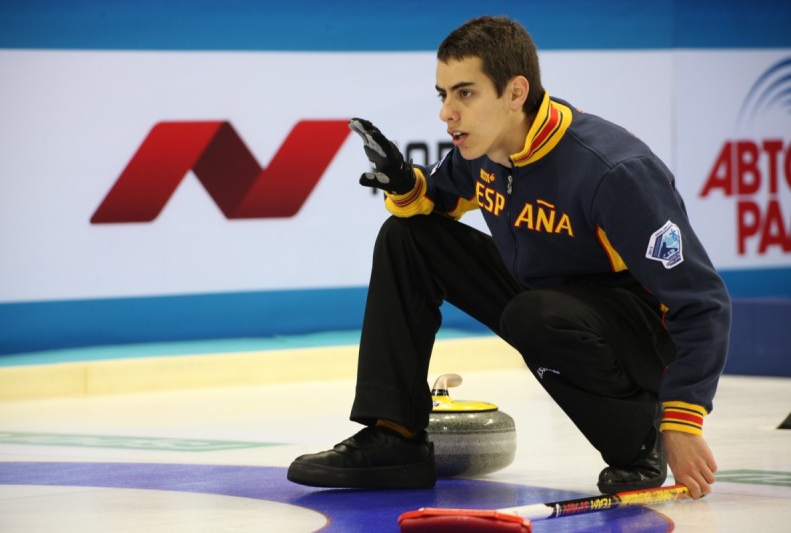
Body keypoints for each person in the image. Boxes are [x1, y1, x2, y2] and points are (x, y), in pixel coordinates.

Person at [287, 15, 730, 500]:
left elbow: (703, 303)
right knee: (406, 236)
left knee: (533, 313)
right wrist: (405, 183)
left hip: (631, 331)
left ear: (515, 92)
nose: (447, 114)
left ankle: (637, 439)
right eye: (443, 95)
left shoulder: (614, 172)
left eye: (465, 93)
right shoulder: (483, 149)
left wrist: (683, 418)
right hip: (545, 299)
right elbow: (438, 197)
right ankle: (395, 436)